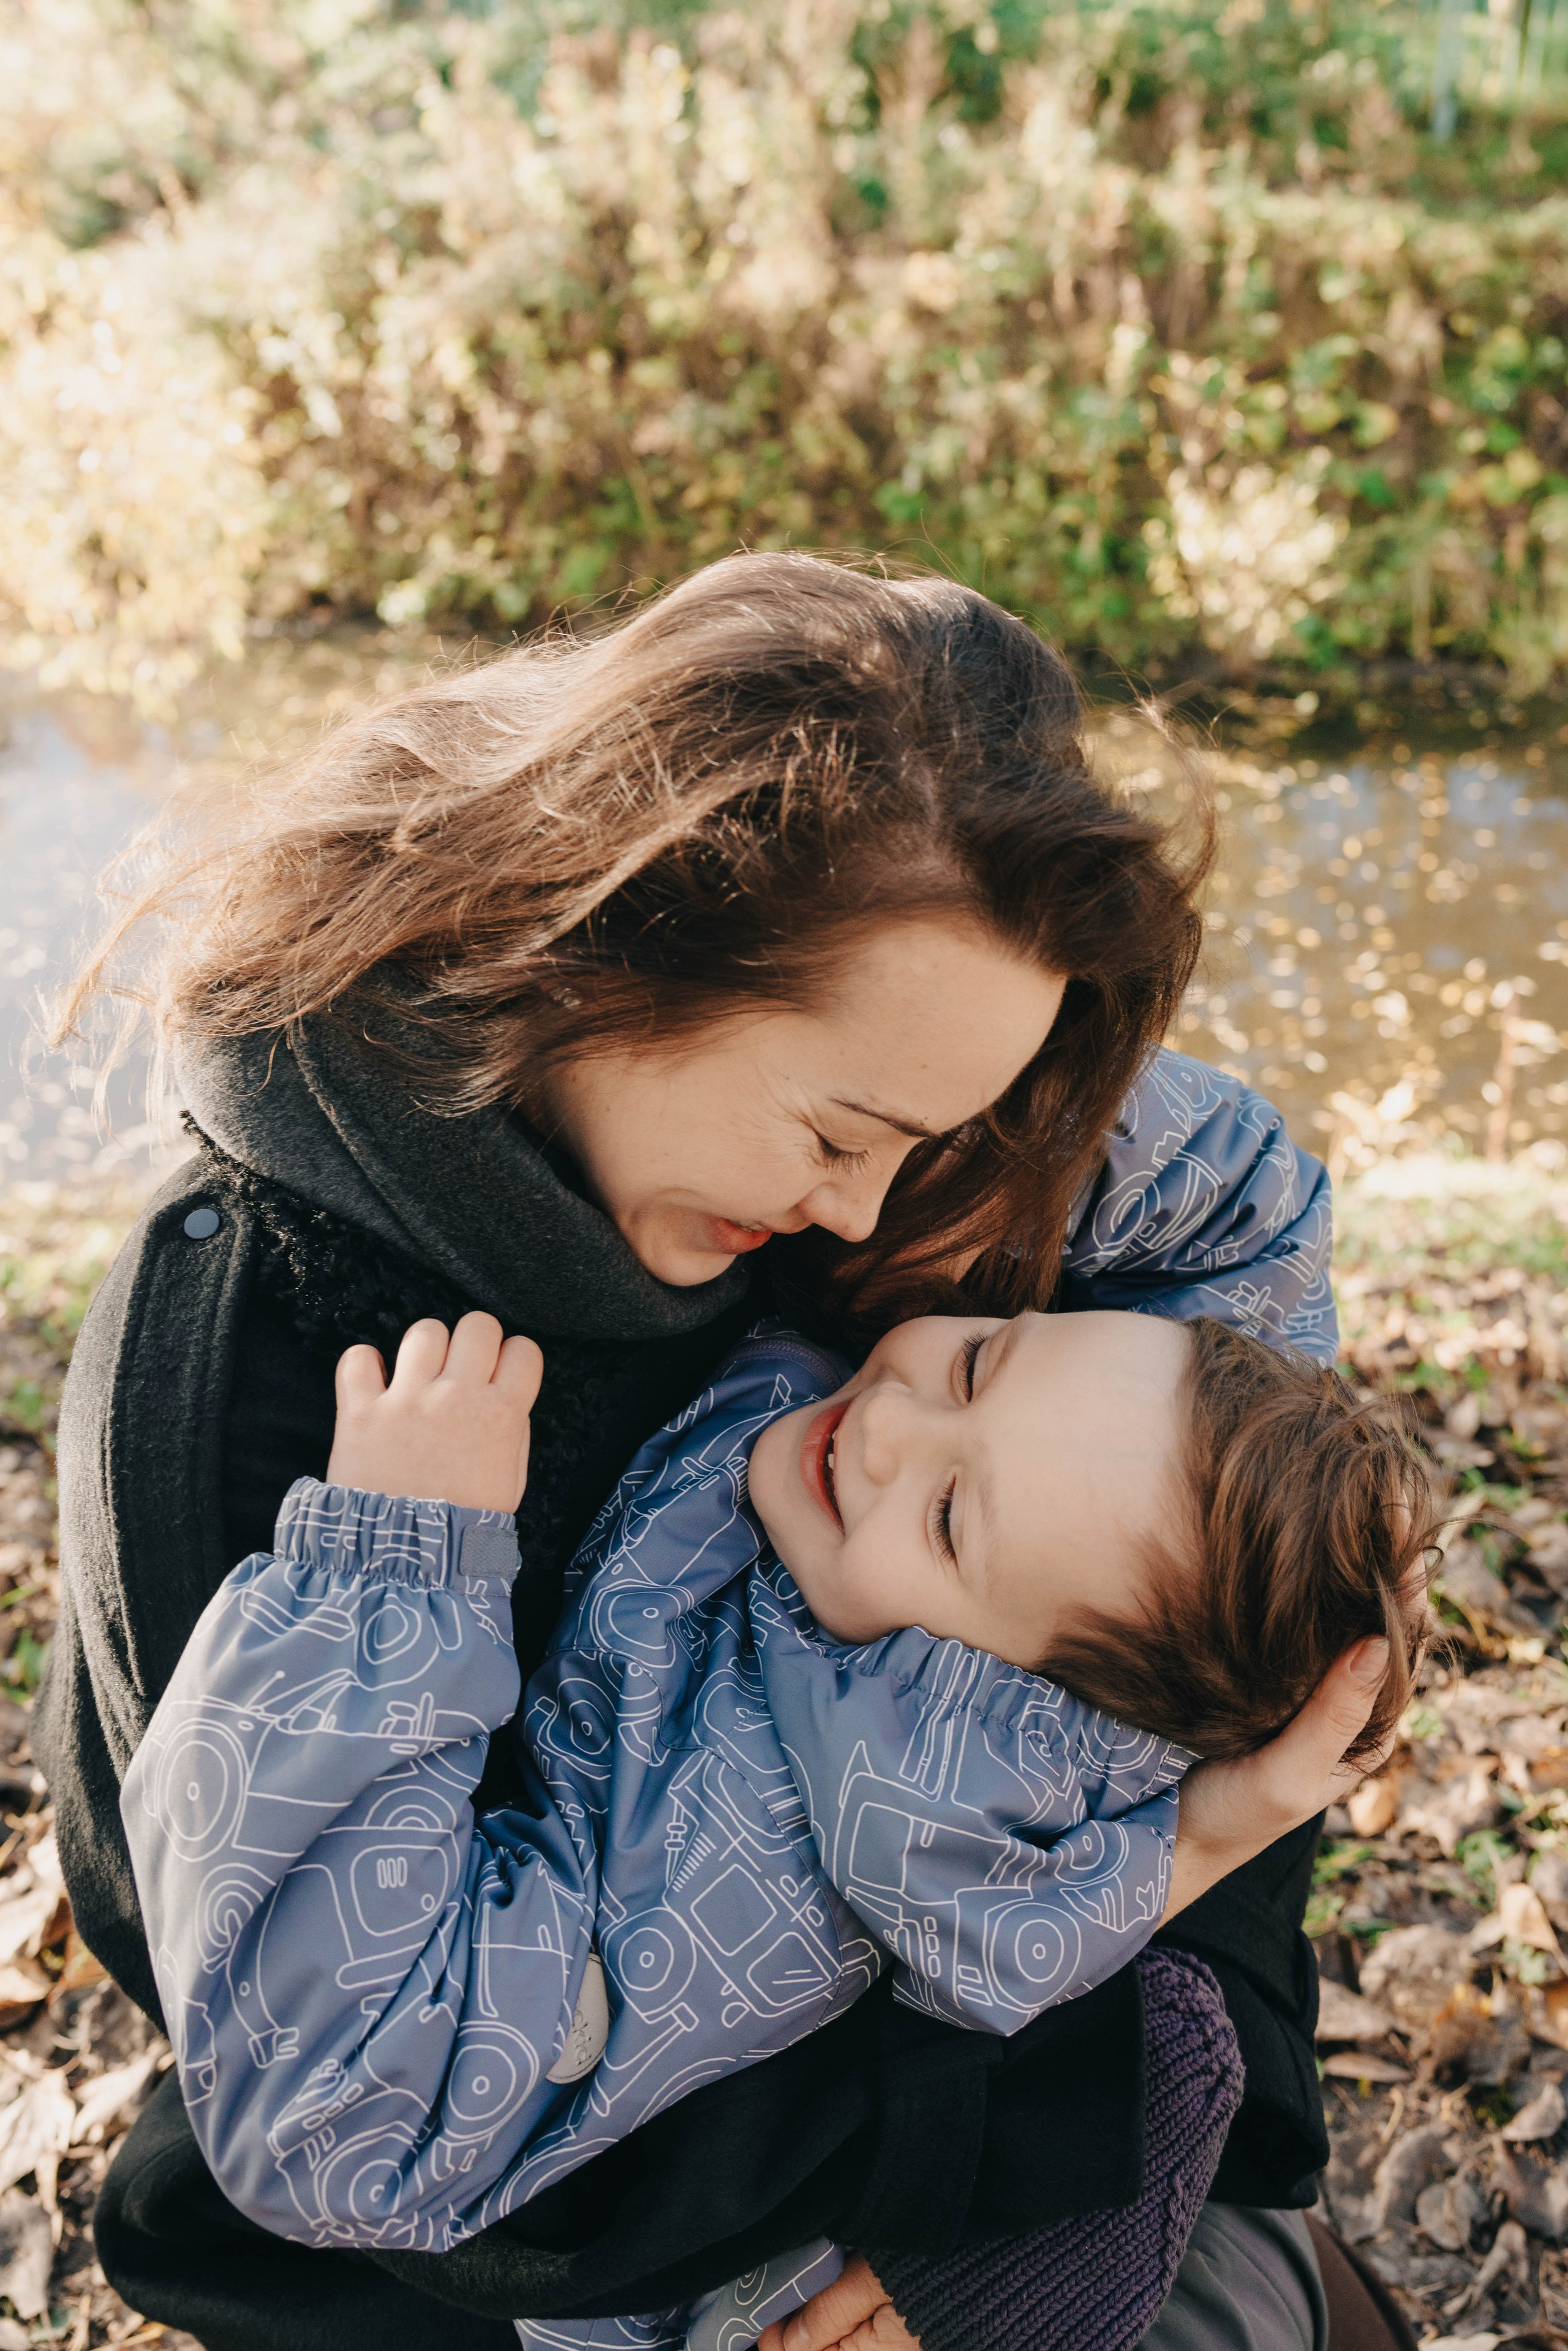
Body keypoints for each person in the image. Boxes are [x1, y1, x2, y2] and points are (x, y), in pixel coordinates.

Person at [40, 554, 1398, 2351]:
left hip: (1014, 2129)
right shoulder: (258, 1387)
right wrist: (993, 2158)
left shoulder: (905, 1145)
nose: (881, 1208)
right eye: (845, 1129)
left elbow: (1203, 1585)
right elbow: (432, 2127)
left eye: (951, 1128)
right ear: (601, 944)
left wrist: (1157, 1968)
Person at [124, 1300, 1431, 2351]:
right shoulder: (918, 1571)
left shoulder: (758, 1863)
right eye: (978, 1357)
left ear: (1006, 1708)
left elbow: (333, 2114)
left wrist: (398, 1560)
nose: (890, 1424)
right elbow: (1230, 1199)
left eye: (947, 1514)